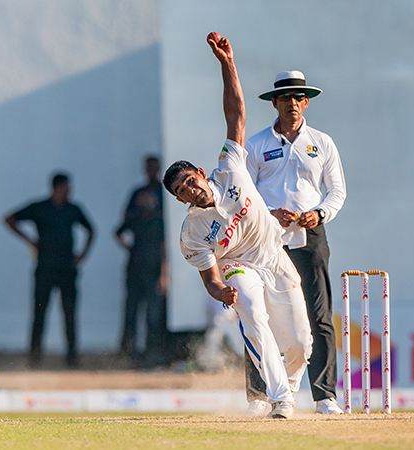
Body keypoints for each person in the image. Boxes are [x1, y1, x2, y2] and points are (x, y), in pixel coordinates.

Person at [162, 34, 312, 419]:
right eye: (182, 191)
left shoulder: (229, 167)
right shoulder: (192, 233)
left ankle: (288, 387)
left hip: (274, 257)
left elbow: (236, 114)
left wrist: (226, 63)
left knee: (300, 343)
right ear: (179, 200)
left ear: (201, 172)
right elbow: (210, 278)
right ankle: (280, 399)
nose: (190, 190)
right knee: (253, 314)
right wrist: (222, 292)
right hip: (238, 267)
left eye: (190, 181)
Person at [244, 70, 347, 415]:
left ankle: (324, 396)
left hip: (309, 236)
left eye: (299, 97)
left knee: (319, 315)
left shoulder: (321, 142)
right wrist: (269, 213)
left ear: (307, 102)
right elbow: (245, 194)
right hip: (265, 238)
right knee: (259, 314)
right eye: (286, 97)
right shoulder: (257, 144)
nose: (293, 103)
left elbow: (337, 191)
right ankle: (260, 396)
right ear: (274, 102)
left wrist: (319, 213)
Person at [4, 172, 94, 368]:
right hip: (45, 269)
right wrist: (29, 240)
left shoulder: (72, 209)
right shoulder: (40, 208)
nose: (69, 191)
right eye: (66, 188)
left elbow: (91, 229)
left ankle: (71, 356)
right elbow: (9, 219)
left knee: (69, 313)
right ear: (56, 188)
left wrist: (82, 255)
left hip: (67, 268)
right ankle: (35, 356)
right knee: (39, 313)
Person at [115, 156, 168, 367]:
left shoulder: (163, 199)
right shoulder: (136, 204)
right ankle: (128, 350)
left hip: (154, 267)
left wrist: (164, 273)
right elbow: (120, 228)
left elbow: (165, 244)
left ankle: (152, 352)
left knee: (153, 313)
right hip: (135, 267)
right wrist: (130, 248)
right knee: (131, 309)